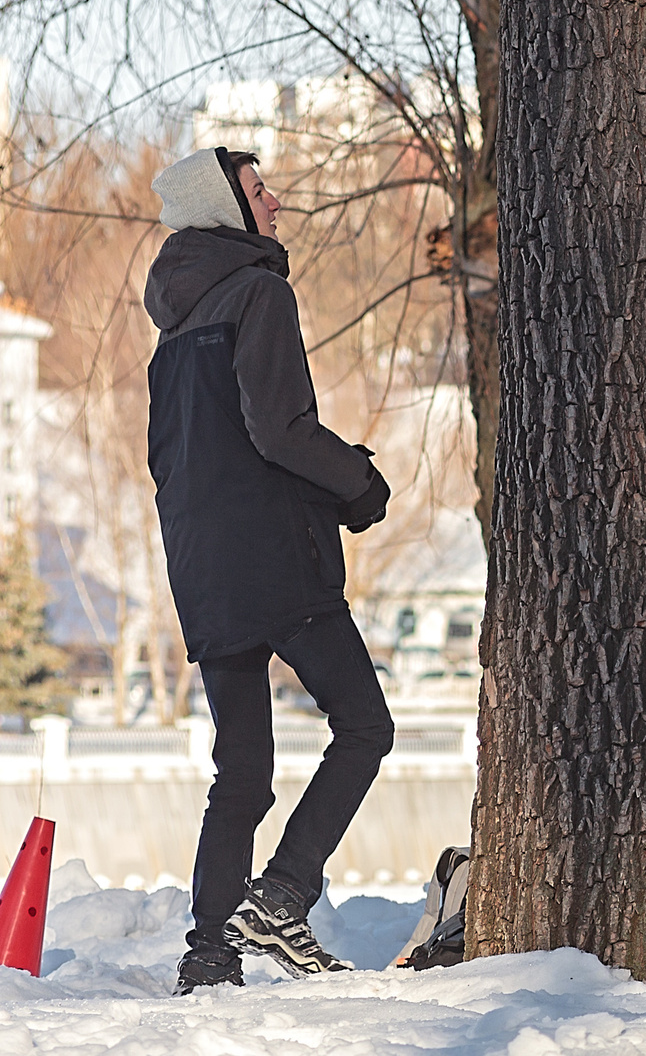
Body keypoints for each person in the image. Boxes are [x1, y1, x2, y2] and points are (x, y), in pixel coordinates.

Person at [146, 147, 395, 993]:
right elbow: (279, 428)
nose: (276, 200)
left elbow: (172, 467)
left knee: (242, 769)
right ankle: (283, 894)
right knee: (365, 724)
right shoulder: (260, 293)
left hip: (206, 571)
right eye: (259, 190)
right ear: (227, 209)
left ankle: (210, 951)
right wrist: (359, 483)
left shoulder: (173, 332)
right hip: (278, 564)